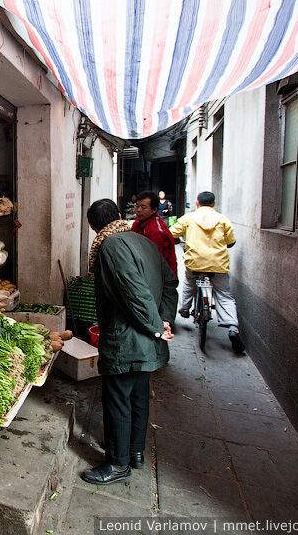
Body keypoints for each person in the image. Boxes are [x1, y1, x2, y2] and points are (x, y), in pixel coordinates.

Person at [81, 199, 178, 486]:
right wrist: (164, 319)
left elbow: (134, 292)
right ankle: (135, 452)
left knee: (117, 400)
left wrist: (156, 327)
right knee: (138, 396)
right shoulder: (143, 241)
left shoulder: (110, 247)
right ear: (120, 216)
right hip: (146, 339)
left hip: (127, 339)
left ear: (93, 226)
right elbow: (170, 282)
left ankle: (116, 463)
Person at [169, 191, 244, 354]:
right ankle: (232, 327)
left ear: (197, 203)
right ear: (213, 204)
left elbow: (171, 233)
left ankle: (185, 308)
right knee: (224, 295)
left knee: (189, 283)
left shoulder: (189, 218)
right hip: (218, 264)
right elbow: (231, 241)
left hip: (195, 262)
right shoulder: (222, 219)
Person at [132, 191, 178, 275]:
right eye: (137, 206)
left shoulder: (156, 231)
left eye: (143, 207)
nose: (138, 210)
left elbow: (153, 261)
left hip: (159, 275)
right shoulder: (138, 222)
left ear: (154, 210)